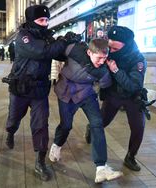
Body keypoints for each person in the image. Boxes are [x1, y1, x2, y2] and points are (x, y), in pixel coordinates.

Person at [4, 5, 71, 181]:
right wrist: (61, 43)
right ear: (31, 21)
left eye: (47, 20)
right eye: (41, 20)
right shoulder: (23, 37)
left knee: (40, 125)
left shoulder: (47, 37)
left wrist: (70, 44)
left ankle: (40, 162)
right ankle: (10, 132)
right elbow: (42, 51)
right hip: (20, 88)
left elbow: (59, 53)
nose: (45, 23)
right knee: (14, 118)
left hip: (40, 90)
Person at [49, 38, 123, 183]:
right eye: (99, 57)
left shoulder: (103, 69)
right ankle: (57, 145)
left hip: (86, 94)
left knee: (97, 124)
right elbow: (54, 50)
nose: (102, 61)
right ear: (89, 52)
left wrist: (110, 71)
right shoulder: (74, 50)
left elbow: (105, 84)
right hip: (66, 93)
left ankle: (101, 168)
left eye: (105, 58)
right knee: (66, 125)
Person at [85, 26, 147, 172]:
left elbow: (133, 85)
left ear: (125, 44)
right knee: (101, 122)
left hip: (133, 98)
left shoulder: (137, 59)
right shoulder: (110, 52)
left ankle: (130, 157)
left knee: (138, 128)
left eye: (114, 48)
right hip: (113, 95)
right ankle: (90, 128)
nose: (110, 51)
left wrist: (116, 71)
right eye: (109, 46)